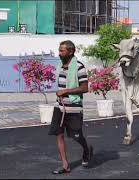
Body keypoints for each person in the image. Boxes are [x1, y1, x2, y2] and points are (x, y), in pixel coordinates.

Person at [48, 40, 93, 174]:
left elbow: (85, 88)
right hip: (60, 107)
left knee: (76, 136)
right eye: (59, 50)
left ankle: (86, 149)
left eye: (62, 51)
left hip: (74, 108)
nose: (59, 53)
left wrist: (66, 91)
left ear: (71, 51)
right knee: (59, 135)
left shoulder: (79, 67)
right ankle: (65, 165)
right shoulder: (60, 67)